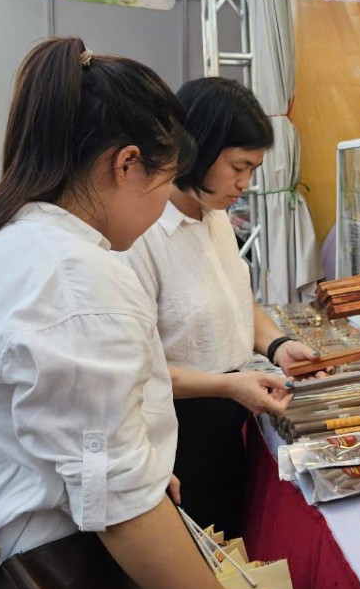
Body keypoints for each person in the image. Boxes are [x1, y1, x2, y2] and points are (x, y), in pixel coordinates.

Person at [0, 38, 225, 589]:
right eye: (164, 185)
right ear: (127, 164)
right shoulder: (76, 278)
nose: (163, 204)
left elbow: (61, 434)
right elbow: (124, 511)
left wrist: (136, 467)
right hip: (20, 570)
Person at [121, 76, 321, 539]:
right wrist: (228, 386)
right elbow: (138, 368)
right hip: (176, 433)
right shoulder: (142, 237)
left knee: (232, 547)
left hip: (231, 414)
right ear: (198, 148)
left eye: (253, 169)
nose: (245, 184)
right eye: (238, 166)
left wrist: (278, 344)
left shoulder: (215, 217)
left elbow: (237, 299)